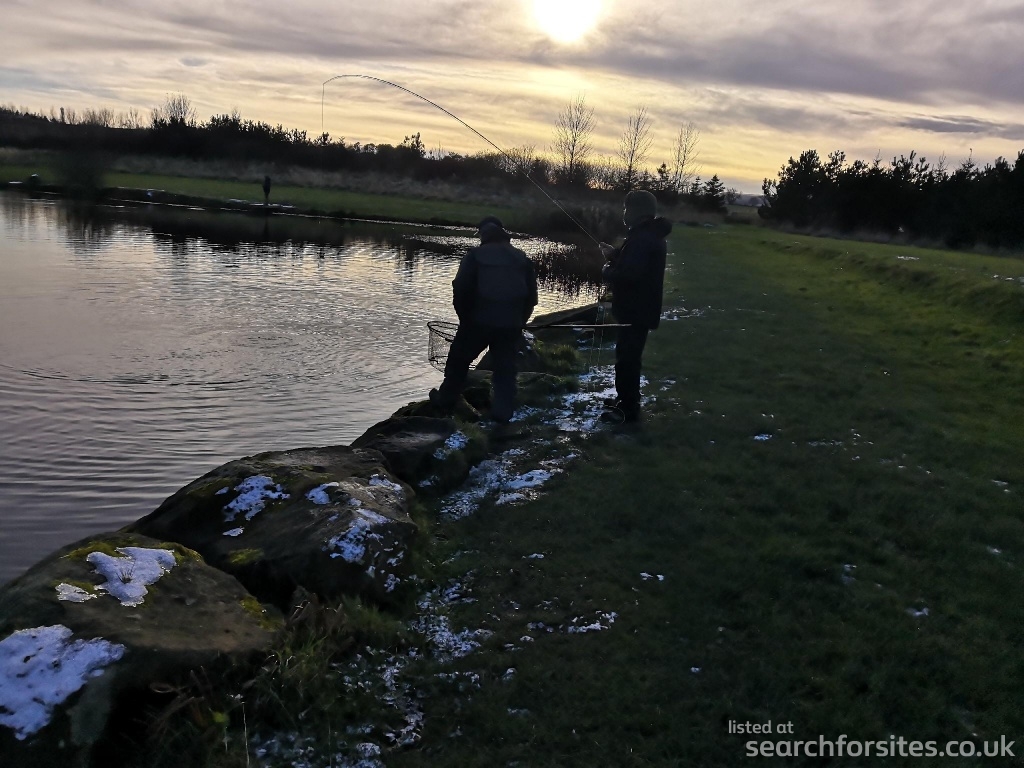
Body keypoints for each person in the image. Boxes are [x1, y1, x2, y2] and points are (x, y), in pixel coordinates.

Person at [430, 216, 538, 422]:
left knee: (458, 362)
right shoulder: (522, 259)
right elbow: (532, 299)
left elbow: (460, 291)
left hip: (477, 323)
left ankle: (445, 404)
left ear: (483, 235)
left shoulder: (474, 256)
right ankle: (502, 415)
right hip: (510, 325)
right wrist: (519, 323)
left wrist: (466, 320)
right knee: (505, 370)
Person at [598, 189, 672, 422]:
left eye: (626, 208)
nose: (624, 212)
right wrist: (615, 255)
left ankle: (628, 410)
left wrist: (607, 271)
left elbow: (629, 275)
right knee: (627, 357)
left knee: (627, 361)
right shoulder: (647, 235)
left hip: (635, 310)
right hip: (639, 309)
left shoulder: (642, 238)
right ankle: (625, 400)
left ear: (636, 211)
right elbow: (634, 265)